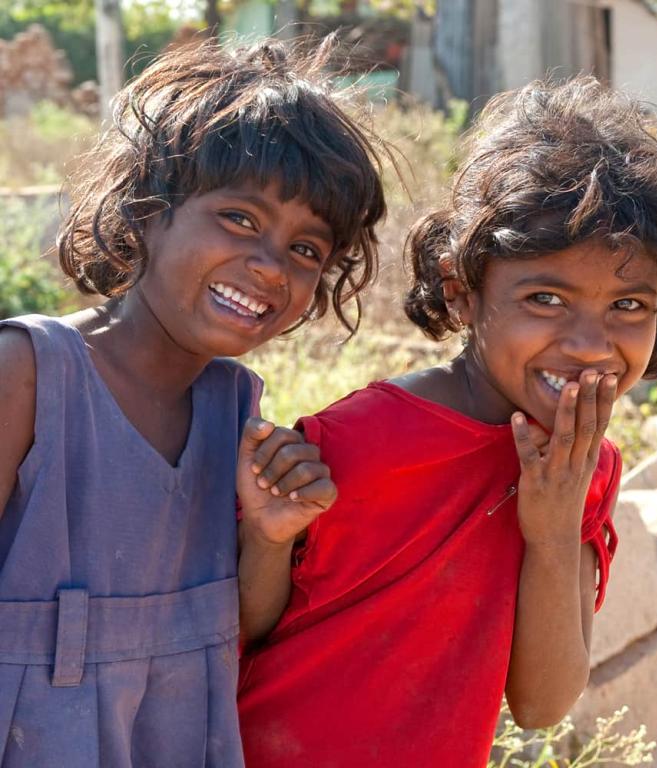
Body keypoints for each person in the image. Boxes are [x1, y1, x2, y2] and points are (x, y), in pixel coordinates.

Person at [236, 76, 657, 767]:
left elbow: (542, 703)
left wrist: (552, 534)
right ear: (462, 293)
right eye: (547, 297)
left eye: (629, 306)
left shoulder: (585, 469)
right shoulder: (357, 441)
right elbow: (244, 631)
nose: (589, 343)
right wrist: (267, 538)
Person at [0, 35, 387, 768]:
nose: (270, 265)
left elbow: (218, 632)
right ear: (149, 209)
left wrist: (270, 537)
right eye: (239, 219)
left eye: (307, 249)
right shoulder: (27, 377)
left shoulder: (233, 410)